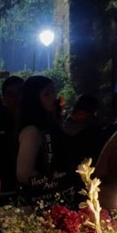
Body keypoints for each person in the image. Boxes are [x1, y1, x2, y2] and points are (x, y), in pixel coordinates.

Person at [15, 75, 78, 206]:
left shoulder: (50, 123)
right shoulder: (31, 131)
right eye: (46, 94)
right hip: (41, 203)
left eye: (53, 92)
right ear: (34, 99)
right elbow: (23, 173)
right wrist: (54, 184)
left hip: (57, 199)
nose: (53, 97)